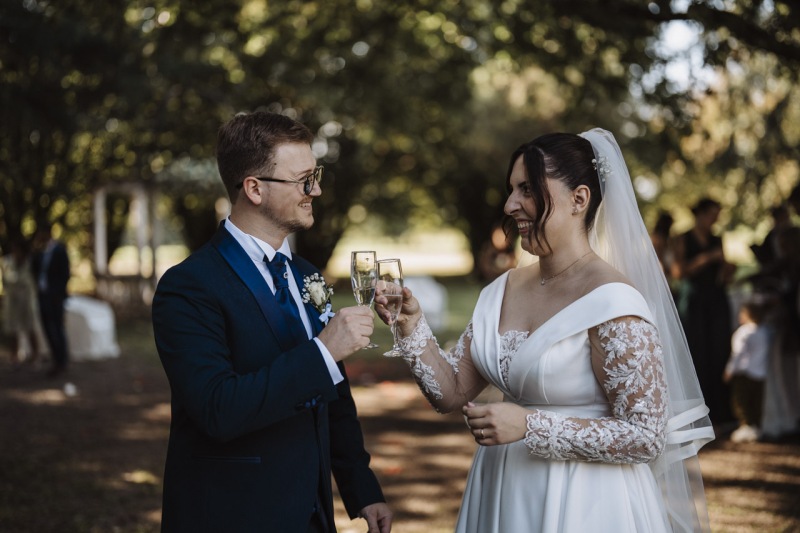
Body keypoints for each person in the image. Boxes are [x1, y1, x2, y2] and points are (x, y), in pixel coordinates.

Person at [375, 129, 714, 532]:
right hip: (501, 489)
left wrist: (530, 426)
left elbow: (645, 436)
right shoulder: (501, 290)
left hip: (586, 503)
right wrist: (411, 324)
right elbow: (449, 393)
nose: (510, 204)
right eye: (512, 189)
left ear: (580, 199)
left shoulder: (614, 302)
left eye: (528, 190)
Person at [152, 111, 392, 533]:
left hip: (312, 514)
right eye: (303, 180)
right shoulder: (189, 287)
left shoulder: (306, 275)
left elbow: (331, 396)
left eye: (314, 176)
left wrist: (362, 487)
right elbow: (217, 409)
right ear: (255, 188)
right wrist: (322, 351)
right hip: (233, 514)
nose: (315, 189)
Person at [673, 198, 735, 424]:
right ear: (699, 214)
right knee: (697, 352)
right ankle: (697, 410)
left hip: (716, 300)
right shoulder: (682, 238)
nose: (715, 220)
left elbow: (724, 276)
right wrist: (707, 258)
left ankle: (720, 411)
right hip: (695, 302)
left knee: (719, 351)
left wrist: (728, 270)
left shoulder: (718, 238)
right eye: (712, 214)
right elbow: (678, 272)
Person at [724, 301, 770, 443]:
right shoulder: (765, 331)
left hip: (745, 373)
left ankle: (747, 427)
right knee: (756, 401)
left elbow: (738, 354)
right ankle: (756, 427)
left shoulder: (743, 332)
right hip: (760, 373)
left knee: (742, 401)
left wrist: (729, 370)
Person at [31, 223, 70, 377]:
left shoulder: (59, 251)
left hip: (55, 297)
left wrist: (57, 294)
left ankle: (62, 360)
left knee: (58, 328)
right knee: (47, 328)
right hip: (43, 296)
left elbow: (65, 274)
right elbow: (34, 270)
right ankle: (56, 359)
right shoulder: (39, 252)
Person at [1, 237, 41, 369]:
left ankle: (35, 355)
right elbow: (5, 281)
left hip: (27, 301)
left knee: (30, 327)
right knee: (13, 328)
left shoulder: (30, 262)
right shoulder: (7, 262)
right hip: (12, 301)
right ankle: (15, 355)